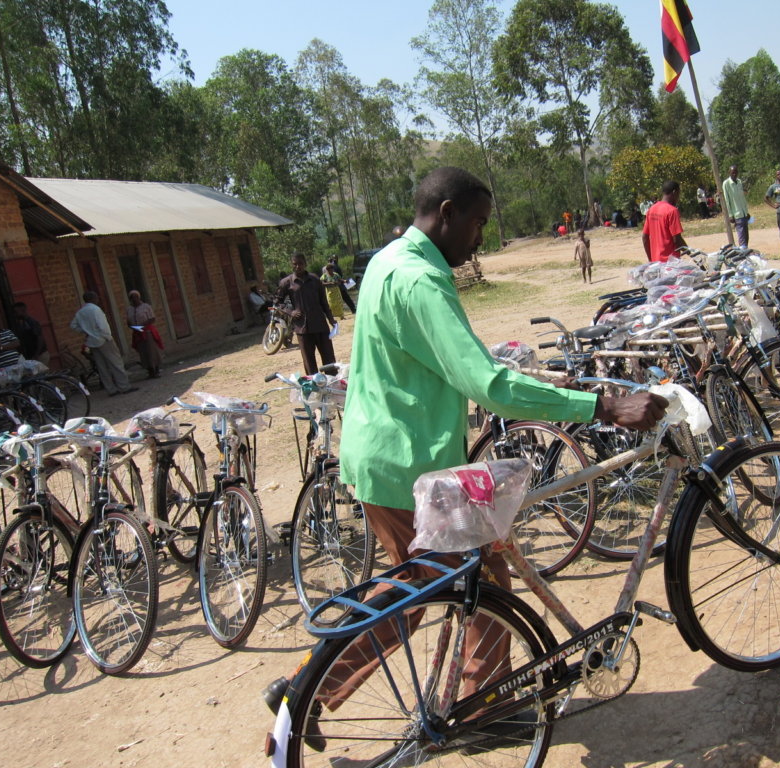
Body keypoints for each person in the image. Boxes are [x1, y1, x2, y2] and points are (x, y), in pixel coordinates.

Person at [262, 166, 667, 727]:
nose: (480, 238)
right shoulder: (421, 281)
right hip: (408, 464)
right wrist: (600, 406)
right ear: (447, 213)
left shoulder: (387, 260)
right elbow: (487, 385)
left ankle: (321, 690)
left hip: (384, 452)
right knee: (451, 587)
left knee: (427, 585)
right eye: (477, 224)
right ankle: (445, 709)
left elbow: (444, 362)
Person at [276, 253, 336, 375]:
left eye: (300, 263)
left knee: (329, 358)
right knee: (309, 362)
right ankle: (314, 388)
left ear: (305, 264)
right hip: (302, 328)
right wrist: (290, 312)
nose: (298, 266)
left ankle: (333, 384)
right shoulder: (287, 283)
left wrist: (331, 319)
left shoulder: (315, 280)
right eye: (295, 264)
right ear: (291, 265)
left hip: (320, 325)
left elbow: (323, 301)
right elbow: (277, 302)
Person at [70, 291, 137, 395]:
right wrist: (108, 337)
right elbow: (103, 326)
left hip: (92, 341)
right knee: (116, 363)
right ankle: (124, 386)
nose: (98, 299)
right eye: (97, 297)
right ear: (93, 298)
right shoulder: (96, 310)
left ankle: (111, 389)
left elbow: (73, 325)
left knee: (101, 366)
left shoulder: (80, 312)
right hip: (103, 339)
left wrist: (86, 331)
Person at [642, 180, 687, 263]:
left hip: (656, 263)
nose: (678, 198)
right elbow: (677, 240)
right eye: (678, 194)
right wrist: (691, 252)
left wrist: (651, 260)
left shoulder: (651, 209)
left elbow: (645, 237)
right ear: (674, 192)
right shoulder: (672, 211)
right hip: (670, 263)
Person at [126, 290, 162, 379]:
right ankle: (149, 371)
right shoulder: (129, 309)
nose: (134, 300)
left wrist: (142, 326)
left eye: (136, 297)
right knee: (143, 352)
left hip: (147, 331)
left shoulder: (146, 307)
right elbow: (128, 321)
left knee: (151, 351)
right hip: (137, 332)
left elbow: (152, 318)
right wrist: (134, 327)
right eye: (132, 298)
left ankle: (156, 369)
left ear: (139, 297)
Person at [722, 165, 750, 247]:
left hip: (744, 213)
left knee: (746, 236)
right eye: (732, 172)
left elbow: (742, 198)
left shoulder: (739, 182)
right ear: (729, 173)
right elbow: (727, 200)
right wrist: (730, 215)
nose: (734, 174)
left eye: (736, 172)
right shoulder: (726, 183)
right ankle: (743, 254)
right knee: (742, 237)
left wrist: (746, 212)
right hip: (737, 214)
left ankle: (745, 252)